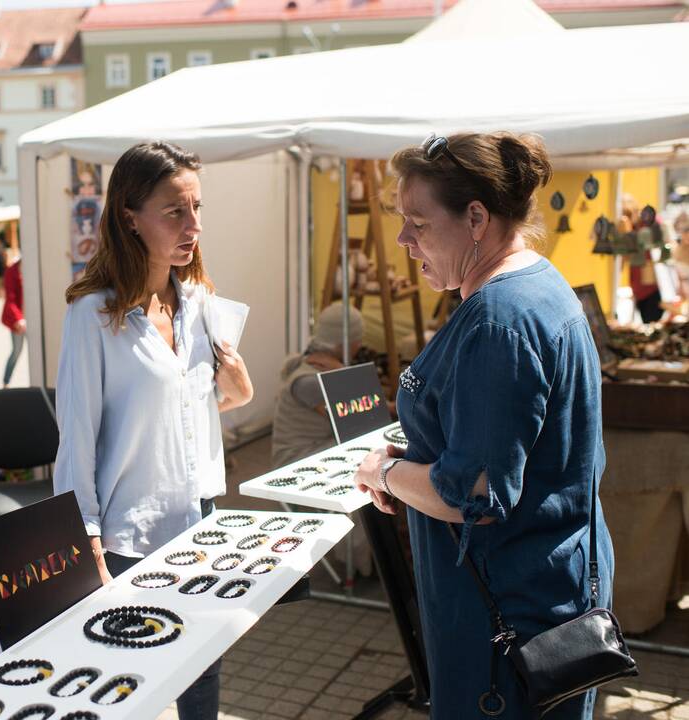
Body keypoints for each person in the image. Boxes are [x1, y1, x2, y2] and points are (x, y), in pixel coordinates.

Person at [352, 132, 613, 719]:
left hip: (508, 615)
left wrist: (387, 472)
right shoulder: (536, 284)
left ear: (475, 217)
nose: (403, 239)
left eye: (417, 221)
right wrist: (423, 453)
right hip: (541, 593)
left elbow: (476, 492)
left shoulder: (500, 319)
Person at [53, 141, 253, 720]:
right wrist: (85, 536)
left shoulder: (200, 303)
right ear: (129, 216)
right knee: (129, 680)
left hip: (200, 519)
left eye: (197, 207)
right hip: (127, 537)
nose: (193, 225)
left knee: (204, 668)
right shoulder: (92, 316)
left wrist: (237, 383)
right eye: (174, 211)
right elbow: (77, 438)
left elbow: (206, 408)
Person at [271, 302, 363, 468]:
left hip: (313, 448)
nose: (360, 346)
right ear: (344, 345)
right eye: (358, 341)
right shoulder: (310, 381)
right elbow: (358, 419)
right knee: (366, 446)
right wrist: (343, 371)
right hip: (296, 461)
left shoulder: (313, 368)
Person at [0, 248, 25, 388]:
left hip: (31, 318)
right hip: (18, 318)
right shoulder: (12, 271)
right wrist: (18, 319)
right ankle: (6, 382)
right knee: (16, 351)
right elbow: (10, 298)